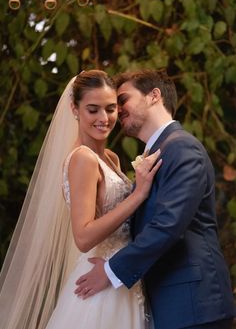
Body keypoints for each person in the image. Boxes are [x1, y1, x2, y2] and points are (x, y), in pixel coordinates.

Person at [0, 70, 161, 329]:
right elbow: (83, 237)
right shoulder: (82, 159)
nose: (104, 118)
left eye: (110, 109)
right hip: (100, 283)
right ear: (75, 109)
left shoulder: (110, 157)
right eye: (93, 109)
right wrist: (139, 194)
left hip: (120, 278)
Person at [75, 69, 236, 329]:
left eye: (123, 99)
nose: (118, 108)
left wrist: (110, 271)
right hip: (168, 304)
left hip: (194, 306)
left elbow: (168, 224)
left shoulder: (182, 148)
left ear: (154, 96)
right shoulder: (158, 153)